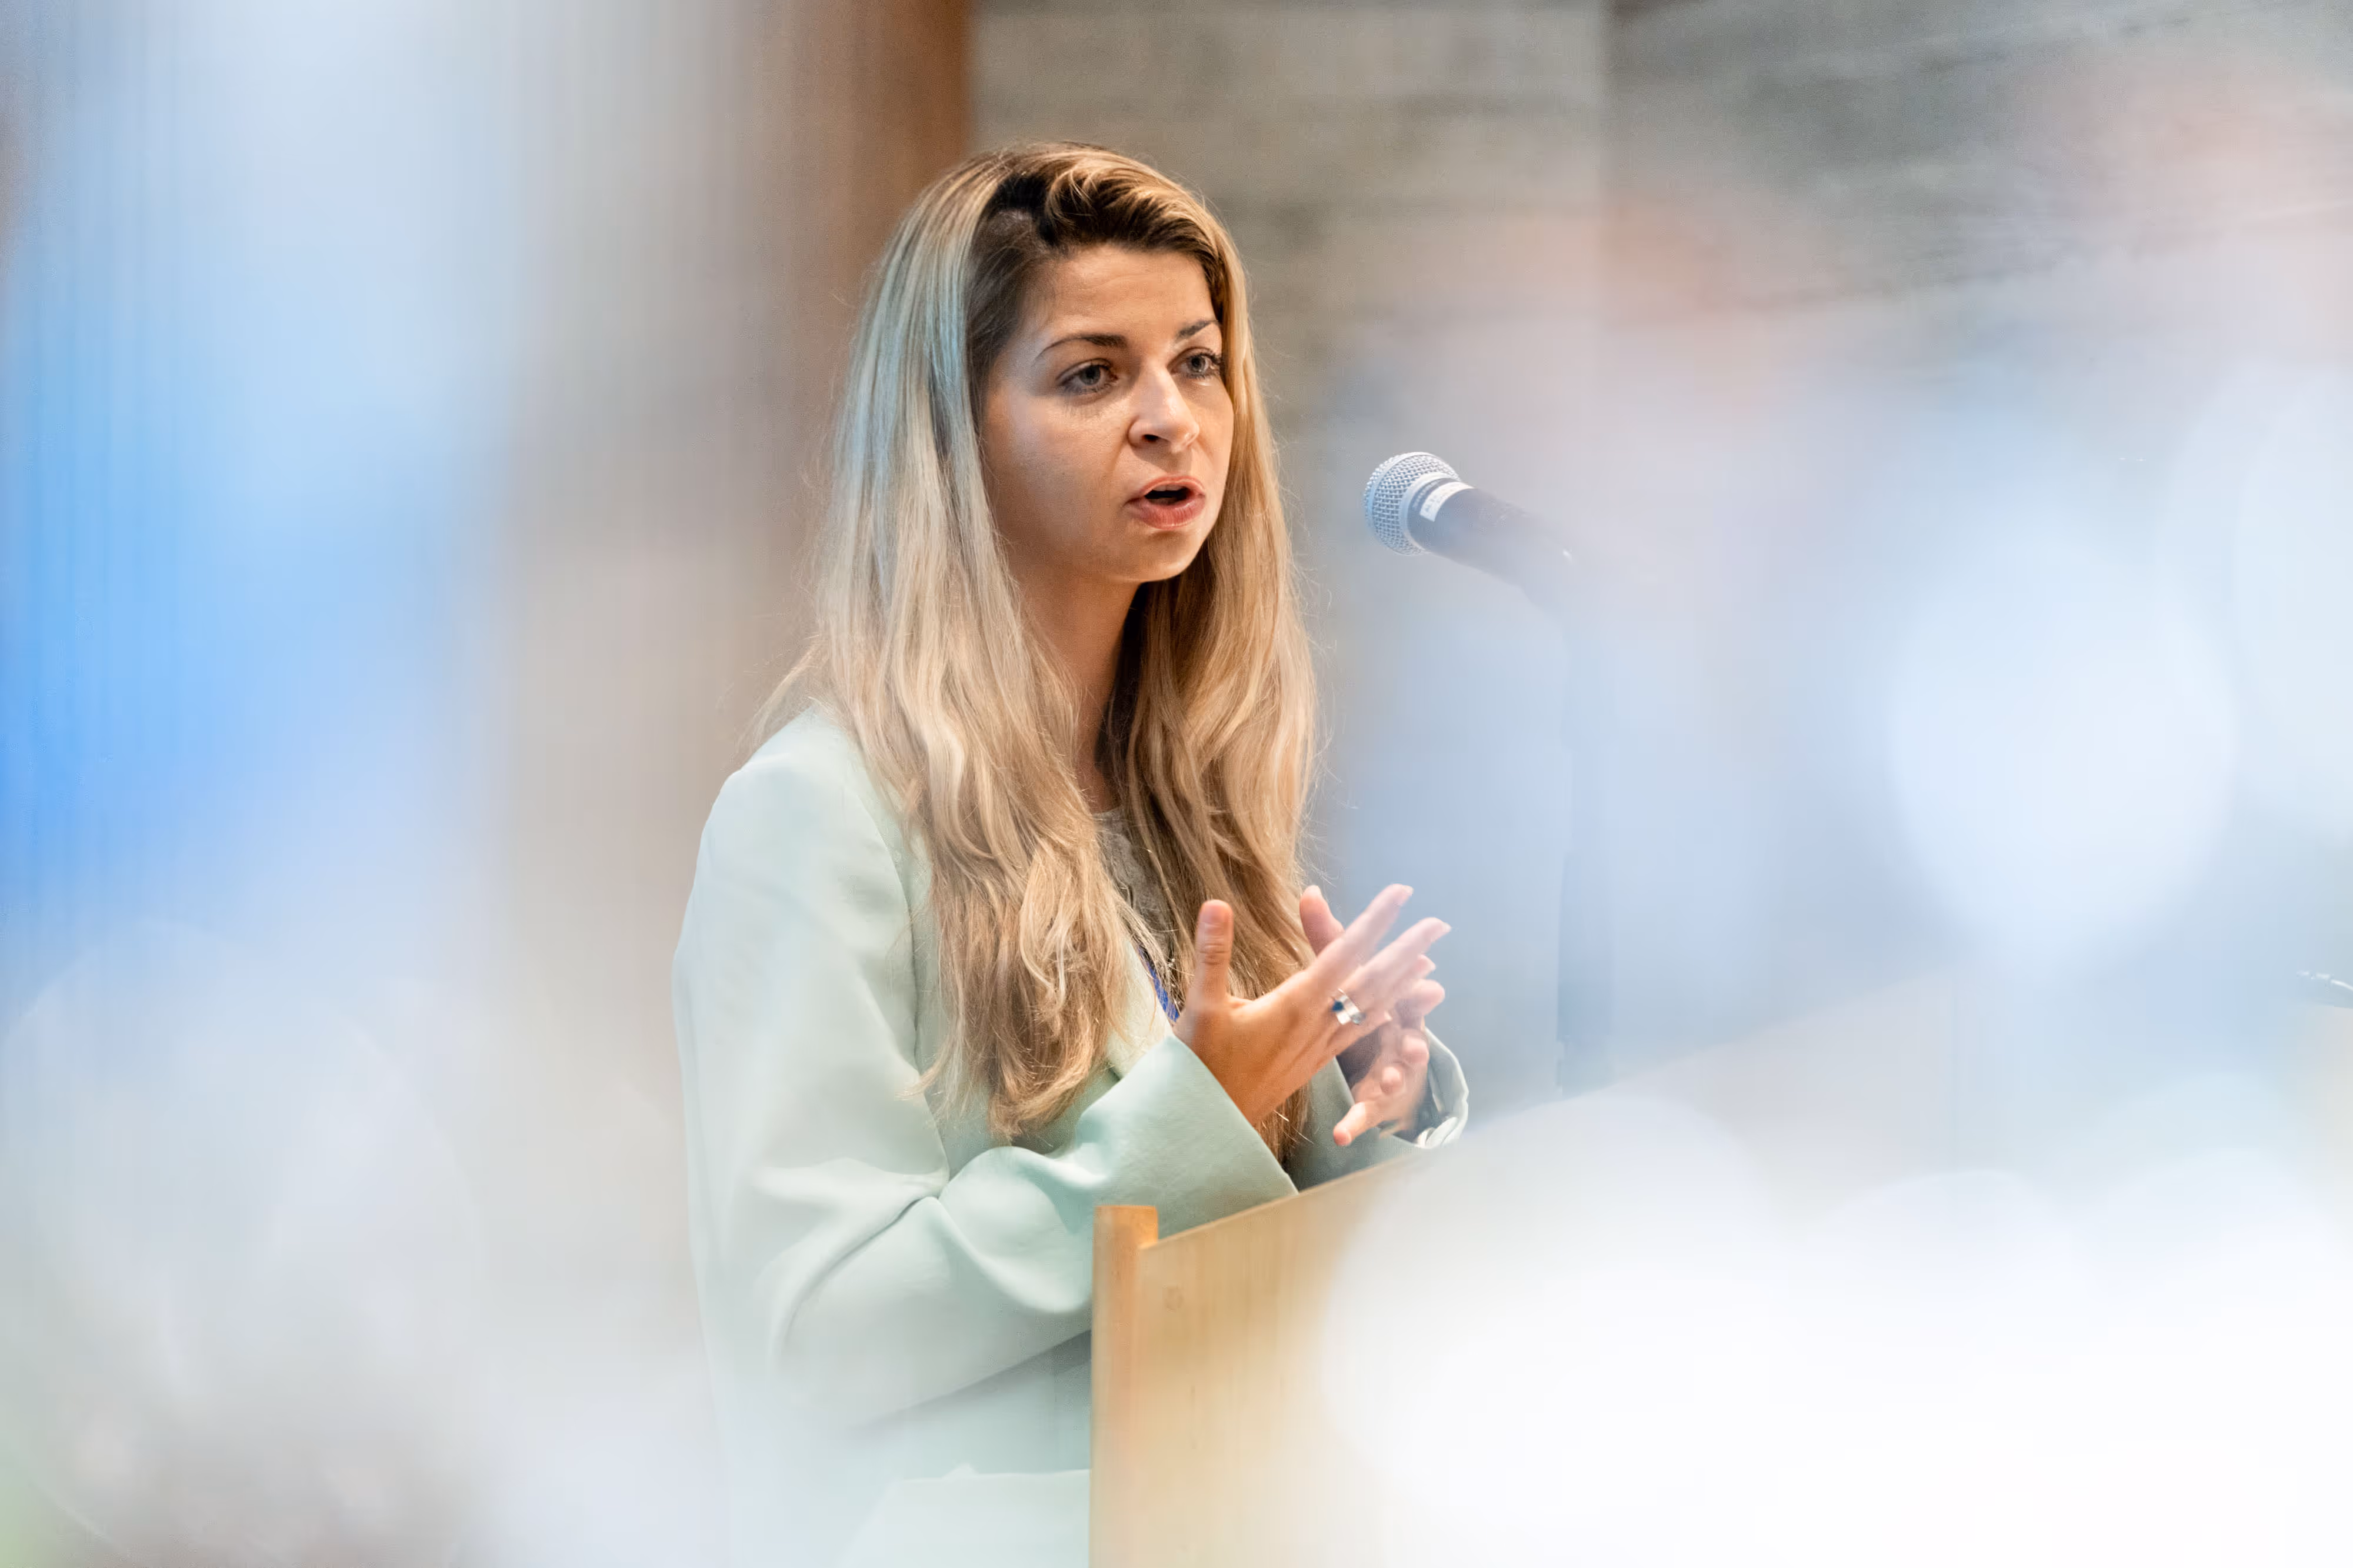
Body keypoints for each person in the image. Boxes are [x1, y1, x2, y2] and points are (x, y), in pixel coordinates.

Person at [672, 142, 1470, 1568]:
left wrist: (1349, 1115)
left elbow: (1220, 1267)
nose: (1172, 421)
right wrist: (1192, 1122)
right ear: (950, 431)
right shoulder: (816, 813)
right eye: (1091, 374)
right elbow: (812, 1327)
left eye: (1199, 363)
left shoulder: (1192, 808)